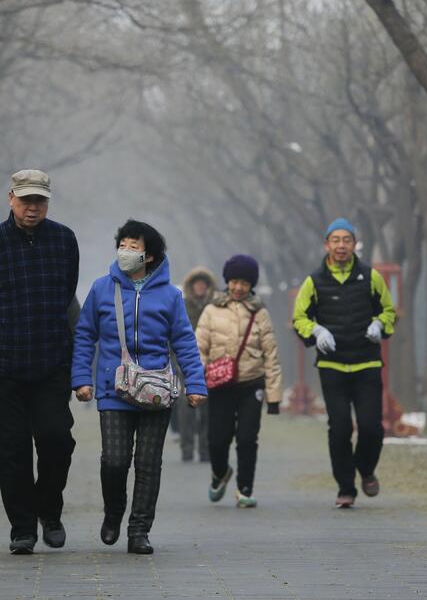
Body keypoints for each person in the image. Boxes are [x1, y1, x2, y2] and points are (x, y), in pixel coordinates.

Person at [72, 220, 207, 555]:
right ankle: (114, 511)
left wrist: (196, 383)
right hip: (113, 389)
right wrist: (81, 380)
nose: (126, 251)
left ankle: (139, 530)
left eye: (134, 246)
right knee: (115, 461)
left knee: (148, 464)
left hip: (156, 391)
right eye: (123, 244)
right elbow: (85, 336)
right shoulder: (102, 289)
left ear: (149, 256)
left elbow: (184, 343)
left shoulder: (170, 296)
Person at [0, 169, 79, 554]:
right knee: (12, 450)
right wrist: (4, 329)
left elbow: (67, 293)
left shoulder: (64, 240)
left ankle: (50, 510)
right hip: (5, 364)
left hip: (51, 363)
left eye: (40, 201)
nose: (33, 207)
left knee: (56, 440)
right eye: (26, 199)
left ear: (48, 202)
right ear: (11, 198)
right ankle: (22, 527)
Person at [291, 218, 396, 508]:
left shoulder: (371, 277)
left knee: (371, 427)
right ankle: (346, 487)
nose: (340, 245)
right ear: (327, 245)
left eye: (346, 240)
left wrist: (379, 324)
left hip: (366, 364)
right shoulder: (313, 281)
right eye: (335, 240)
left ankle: (366, 468)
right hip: (332, 367)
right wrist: (316, 331)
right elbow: (298, 318)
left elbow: (389, 311)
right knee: (339, 428)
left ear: (354, 244)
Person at [195, 254, 283, 508]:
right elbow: (198, 347)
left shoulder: (260, 313)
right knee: (217, 439)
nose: (238, 288)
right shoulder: (211, 311)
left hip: (251, 385)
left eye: (244, 283)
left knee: (247, 438)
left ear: (251, 285)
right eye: (234, 281)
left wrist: (274, 397)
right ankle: (220, 472)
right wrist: (198, 378)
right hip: (219, 385)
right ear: (226, 281)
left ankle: (245, 489)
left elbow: (271, 356)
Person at [176, 268, 217, 462]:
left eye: (203, 284)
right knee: (186, 408)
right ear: (191, 287)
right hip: (186, 363)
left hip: (210, 363)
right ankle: (187, 448)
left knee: (209, 410)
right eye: (197, 284)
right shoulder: (181, 306)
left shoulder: (216, 307)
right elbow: (173, 335)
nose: (200, 287)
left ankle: (205, 450)